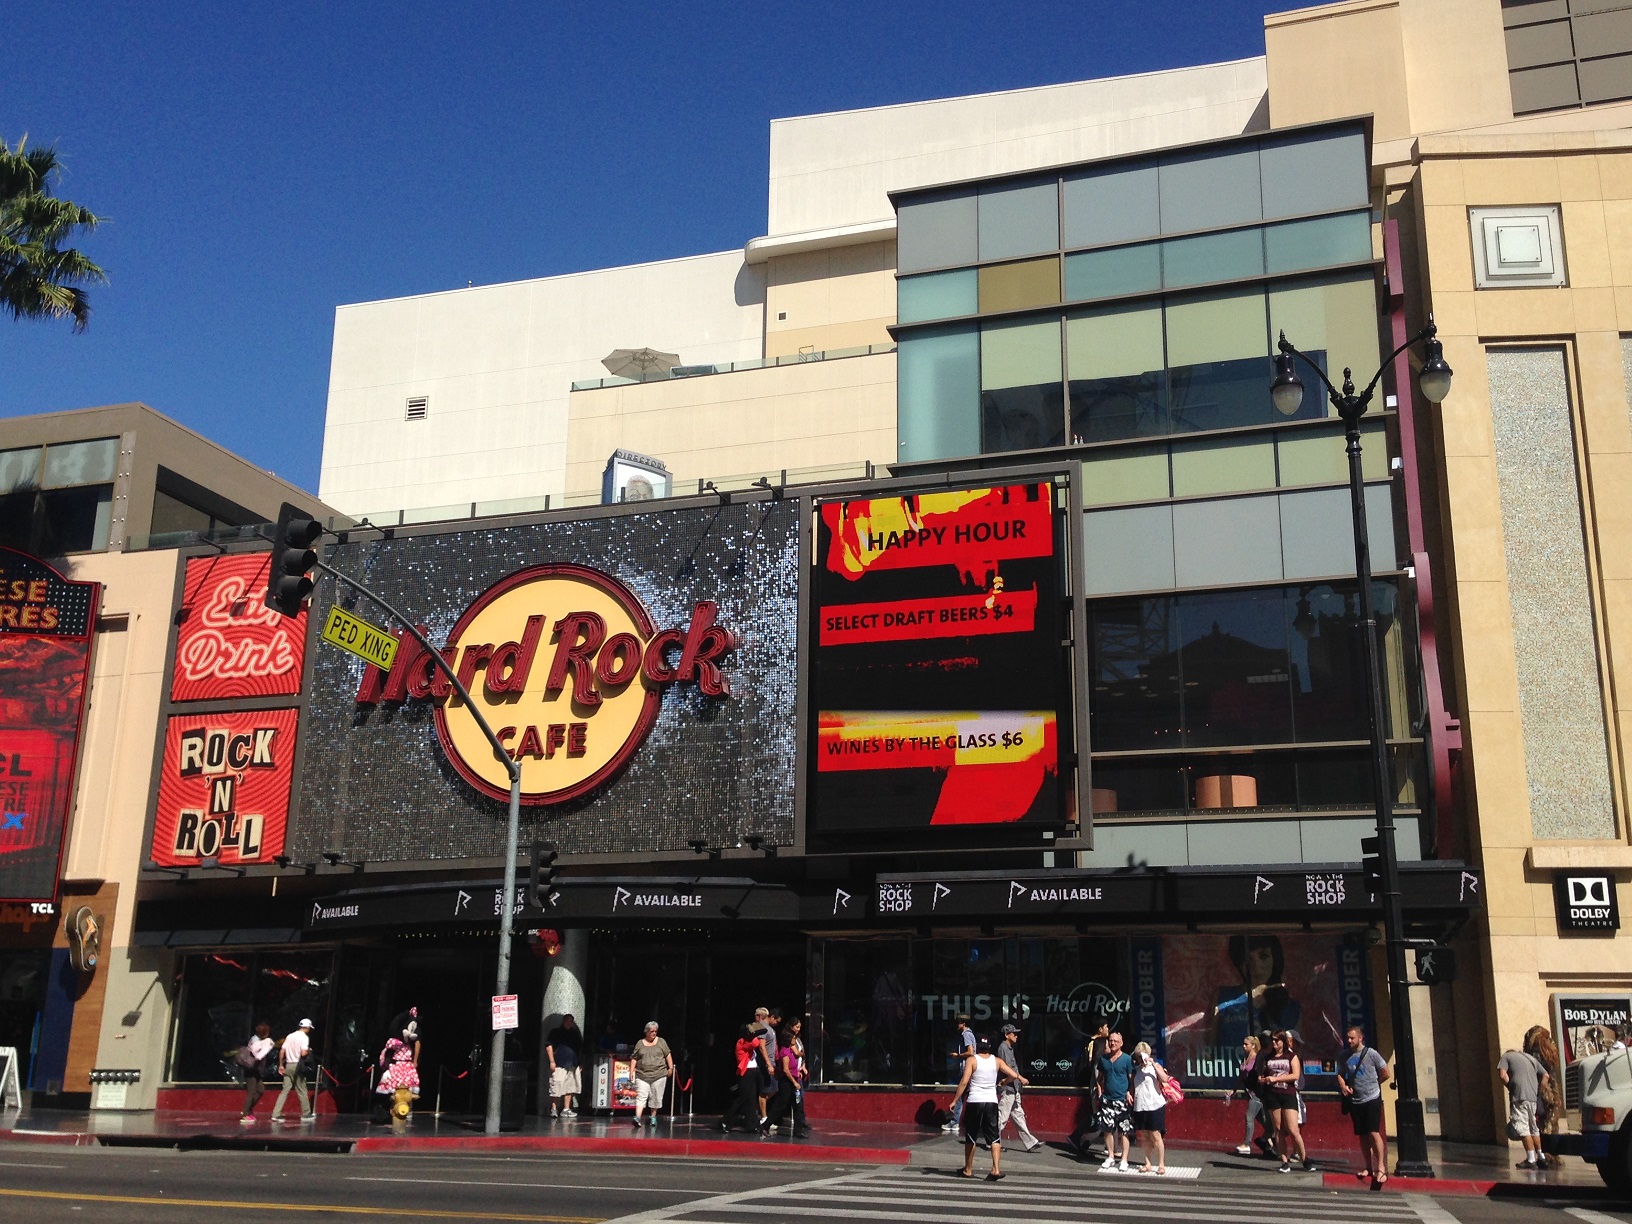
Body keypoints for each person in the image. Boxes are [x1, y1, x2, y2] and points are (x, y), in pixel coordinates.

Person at [950, 1035, 1020, 1181]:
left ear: (977, 1047)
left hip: (975, 1101)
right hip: (991, 1102)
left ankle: (968, 1169)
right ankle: (996, 1169)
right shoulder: (997, 1061)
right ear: (989, 1047)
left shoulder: (972, 1060)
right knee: (994, 1137)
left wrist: (955, 1100)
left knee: (971, 1136)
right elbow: (1014, 1075)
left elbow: (964, 1081)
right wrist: (1003, 1081)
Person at [1338, 1026, 1390, 1185]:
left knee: (1374, 1132)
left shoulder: (1371, 1054)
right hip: (1356, 1100)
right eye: (1348, 1038)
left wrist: (1375, 1084)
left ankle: (1381, 1168)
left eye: (1352, 1038)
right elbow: (1340, 1073)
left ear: (1360, 1038)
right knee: (1362, 1135)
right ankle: (1368, 1166)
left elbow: (1386, 1073)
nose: (1349, 1041)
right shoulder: (1345, 1056)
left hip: (1372, 1098)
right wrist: (1343, 1085)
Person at [1262, 1029, 1313, 1172]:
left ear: (1283, 1042)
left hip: (1288, 1094)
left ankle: (1304, 1158)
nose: (1274, 1043)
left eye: (1277, 1040)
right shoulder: (1269, 1057)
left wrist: (1277, 1078)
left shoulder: (1291, 1056)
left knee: (1292, 1129)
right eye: (1272, 1040)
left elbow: (1295, 1075)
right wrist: (1264, 1079)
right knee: (1278, 1129)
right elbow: (1265, 1073)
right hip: (1273, 1094)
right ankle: (1284, 1161)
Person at [1499, 1037, 1550, 1168]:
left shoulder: (1506, 1056)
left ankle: (1531, 1159)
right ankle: (1541, 1157)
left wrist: (1510, 1086)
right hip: (1532, 1098)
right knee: (1534, 1128)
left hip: (1519, 1097)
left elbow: (1503, 1075)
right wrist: (1539, 1091)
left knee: (1522, 1128)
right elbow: (1546, 1075)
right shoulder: (1530, 1058)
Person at [997, 1024, 1042, 1152]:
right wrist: (1020, 1078)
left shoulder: (1009, 1048)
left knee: (1019, 1116)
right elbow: (1007, 1070)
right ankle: (993, 1141)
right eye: (1013, 1033)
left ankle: (1031, 1142)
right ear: (1006, 1035)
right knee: (1002, 1117)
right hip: (1008, 1088)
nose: (1016, 1036)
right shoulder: (1003, 1048)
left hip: (1014, 1087)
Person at [374, 1008, 422, 1126]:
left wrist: (414, 1061)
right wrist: (386, 1066)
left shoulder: (411, 1042)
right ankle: (388, 1114)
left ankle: (407, 1115)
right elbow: (386, 1053)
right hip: (396, 1066)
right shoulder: (394, 1042)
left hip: (407, 1067)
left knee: (407, 1092)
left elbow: (417, 1043)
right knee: (392, 1092)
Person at [1130, 1041, 1172, 1175]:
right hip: (1141, 1105)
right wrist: (1128, 1094)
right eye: (1138, 1056)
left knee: (1155, 1134)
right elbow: (1132, 1085)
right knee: (1145, 1135)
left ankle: (1161, 1164)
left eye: (1142, 1055)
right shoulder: (1136, 1070)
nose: (1140, 1058)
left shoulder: (1155, 1067)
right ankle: (1147, 1162)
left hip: (1154, 1105)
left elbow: (1165, 1079)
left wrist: (1152, 1063)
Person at [1070, 1022, 1111, 1157]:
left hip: (1096, 1088)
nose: (1110, 1046)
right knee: (1100, 1118)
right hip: (1097, 1090)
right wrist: (1100, 1092)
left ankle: (1108, 1147)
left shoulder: (1094, 1046)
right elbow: (1097, 1076)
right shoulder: (1096, 1047)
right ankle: (1079, 1138)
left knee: (1102, 1118)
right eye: (1106, 1027)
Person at [1228, 1034, 1273, 1156]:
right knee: (1263, 1121)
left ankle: (1247, 1144)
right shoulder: (1246, 1058)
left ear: (1253, 1045)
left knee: (1249, 1117)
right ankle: (1271, 1141)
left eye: (1246, 1044)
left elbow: (1261, 1073)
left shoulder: (1257, 1058)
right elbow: (1241, 1076)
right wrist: (1234, 1090)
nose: (1243, 1046)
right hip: (1249, 1093)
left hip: (1257, 1093)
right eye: (1243, 1044)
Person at [766, 1018, 812, 1137]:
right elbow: (786, 1070)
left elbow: (795, 1063)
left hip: (795, 1079)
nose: (794, 1040)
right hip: (787, 1082)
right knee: (781, 1104)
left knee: (798, 1105)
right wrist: (794, 1082)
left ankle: (798, 1130)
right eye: (793, 1039)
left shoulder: (792, 1053)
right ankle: (766, 1124)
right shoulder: (785, 1052)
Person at [1097, 1030, 1134, 1171]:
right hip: (1107, 1100)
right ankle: (1111, 1157)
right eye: (1111, 1041)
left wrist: (1130, 1093)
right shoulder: (1103, 1059)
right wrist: (1100, 1094)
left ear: (1121, 1043)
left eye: (1116, 1041)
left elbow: (1131, 1080)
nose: (1113, 1043)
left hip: (1122, 1100)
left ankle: (1124, 1159)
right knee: (1108, 1130)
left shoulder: (1127, 1060)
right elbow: (1099, 1079)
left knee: (1124, 1131)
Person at [1525, 1024, 1564, 1158]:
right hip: (1553, 1090)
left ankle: (1545, 1153)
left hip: (1542, 1088)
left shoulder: (1535, 1049)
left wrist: (1539, 1090)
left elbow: (1537, 1069)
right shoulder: (1550, 1046)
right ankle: (1553, 1154)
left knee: (1541, 1123)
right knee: (1552, 1122)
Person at [720, 1020, 766, 1132]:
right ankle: (726, 1121)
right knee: (742, 1098)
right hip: (745, 1073)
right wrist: (754, 1033)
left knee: (751, 1100)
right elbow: (756, 1043)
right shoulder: (741, 1042)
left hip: (753, 1072)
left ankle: (751, 1124)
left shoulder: (747, 1041)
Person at [271, 1018, 315, 1124]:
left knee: (285, 1090)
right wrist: (309, 1051)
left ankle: (276, 1114)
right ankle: (306, 1113)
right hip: (298, 1065)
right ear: (307, 1027)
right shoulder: (304, 1037)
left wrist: (281, 1065)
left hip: (289, 1065)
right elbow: (303, 1053)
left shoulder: (290, 1036)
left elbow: (282, 1051)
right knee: (302, 1089)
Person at [631, 1021, 673, 1128]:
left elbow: (668, 1055)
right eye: (651, 1031)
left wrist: (671, 1068)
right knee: (641, 1096)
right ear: (646, 1032)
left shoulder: (661, 1042)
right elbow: (634, 1058)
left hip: (659, 1074)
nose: (654, 1033)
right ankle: (637, 1117)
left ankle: (653, 1117)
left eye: (655, 1031)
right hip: (642, 1075)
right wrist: (631, 1071)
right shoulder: (640, 1043)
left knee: (655, 1097)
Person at [942, 1014, 977, 1132]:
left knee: (961, 1094)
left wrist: (958, 1055)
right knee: (962, 1096)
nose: (957, 1025)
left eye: (958, 1023)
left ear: (964, 1024)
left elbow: (970, 1052)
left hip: (967, 1069)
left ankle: (955, 1122)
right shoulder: (969, 1034)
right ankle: (955, 1121)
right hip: (968, 1069)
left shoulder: (966, 1034)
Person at [237, 1022, 275, 1123]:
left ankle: (248, 1109)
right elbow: (257, 1054)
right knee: (251, 1092)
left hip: (255, 1070)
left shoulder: (260, 1040)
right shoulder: (255, 1040)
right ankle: (245, 1114)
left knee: (261, 1090)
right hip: (250, 1069)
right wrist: (267, 1045)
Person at [546, 1013, 582, 1119]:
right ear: (563, 1021)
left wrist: (580, 1063)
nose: (569, 1023)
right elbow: (549, 1046)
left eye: (571, 1022)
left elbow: (579, 1049)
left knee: (570, 1087)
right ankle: (553, 1109)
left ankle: (566, 1109)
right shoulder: (555, 1032)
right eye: (567, 1021)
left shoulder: (575, 1034)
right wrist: (552, 1061)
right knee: (556, 1086)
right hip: (559, 1063)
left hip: (573, 1063)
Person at [757, 1008, 782, 1130]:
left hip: (772, 1062)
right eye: (776, 1021)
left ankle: (760, 1108)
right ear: (771, 1017)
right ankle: (763, 1117)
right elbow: (762, 1046)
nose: (777, 1023)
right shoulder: (763, 1027)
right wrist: (768, 1064)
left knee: (774, 1088)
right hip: (766, 1065)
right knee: (765, 1090)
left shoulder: (770, 1030)